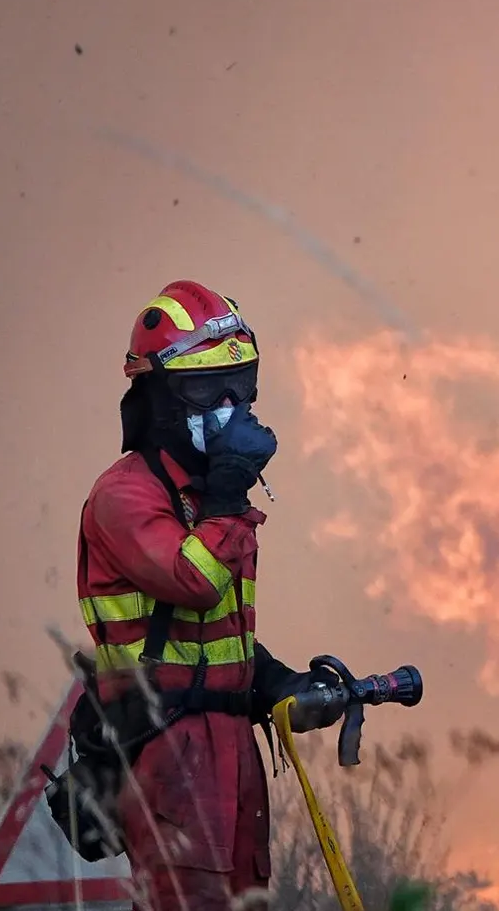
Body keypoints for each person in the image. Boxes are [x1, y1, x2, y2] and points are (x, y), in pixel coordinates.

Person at [76, 280, 343, 911]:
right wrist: (227, 497)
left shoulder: (207, 500)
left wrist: (275, 681)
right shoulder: (126, 496)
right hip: (168, 753)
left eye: (239, 383)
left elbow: (212, 631)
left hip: (233, 751)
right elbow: (191, 583)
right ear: (158, 394)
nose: (227, 403)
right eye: (203, 386)